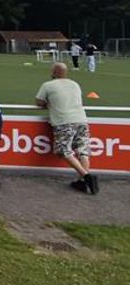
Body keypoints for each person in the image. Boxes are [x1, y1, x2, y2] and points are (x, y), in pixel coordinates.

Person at [36, 63, 99, 194]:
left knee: (63, 150)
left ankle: (86, 176)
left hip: (64, 121)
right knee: (83, 150)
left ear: (53, 72)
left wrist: (50, 104)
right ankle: (82, 181)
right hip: (81, 119)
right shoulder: (75, 84)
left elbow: (39, 102)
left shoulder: (48, 85)